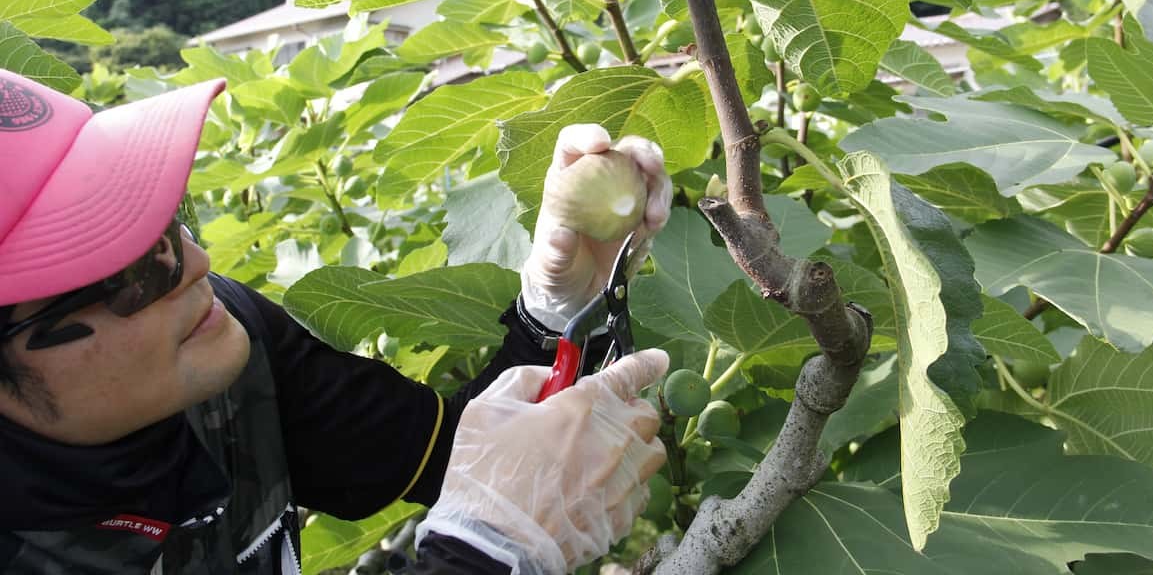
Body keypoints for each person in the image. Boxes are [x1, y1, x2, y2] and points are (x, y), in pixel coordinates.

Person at [0, 69, 673, 574]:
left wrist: (559, 311)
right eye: (129, 276)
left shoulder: (227, 341)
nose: (198, 264)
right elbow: (488, 516)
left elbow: (461, 461)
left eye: (165, 225)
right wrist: (482, 555)